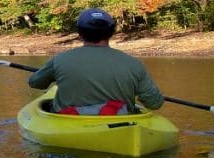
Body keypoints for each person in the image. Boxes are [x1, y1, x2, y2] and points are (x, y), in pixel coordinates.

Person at [28, 8, 165, 115]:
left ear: (80, 33)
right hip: (120, 123)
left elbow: (35, 83)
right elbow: (155, 103)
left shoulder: (60, 59)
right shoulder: (134, 64)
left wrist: (50, 73)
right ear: (111, 32)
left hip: (70, 121)